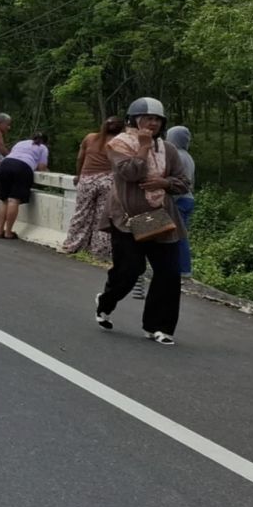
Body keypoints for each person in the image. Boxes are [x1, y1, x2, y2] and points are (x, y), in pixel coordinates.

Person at [94, 97, 191, 345]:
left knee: (168, 273)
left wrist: (164, 182)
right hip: (127, 218)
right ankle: (106, 301)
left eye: (158, 119)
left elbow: (183, 183)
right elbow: (130, 172)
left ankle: (158, 327)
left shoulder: (168, 149)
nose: (153, 123)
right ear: (133, 120)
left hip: (158, 217)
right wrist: (144, 147)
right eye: (147, 118)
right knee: (130, 270)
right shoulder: (118, 144)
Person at [61, 116, 123, 258]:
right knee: (103, 216)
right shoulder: (120, 142)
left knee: (81, 213)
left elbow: (80, 158)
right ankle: (100, 250)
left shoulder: (90, 138)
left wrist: (78, 175)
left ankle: (73, 244)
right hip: (108, 180)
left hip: (87, 179)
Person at [0, 133, 49, 240]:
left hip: (6, 164)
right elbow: (42, 167)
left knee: (4, 200)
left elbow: (11, 154)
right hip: (22, 167)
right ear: (45, 141)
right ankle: (8, 232)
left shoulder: (21, 143)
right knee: (13, 200)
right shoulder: (42, 147)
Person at [166, 125, 196, 279]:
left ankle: (183, 269)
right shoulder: (187, 156)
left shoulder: (177, 155)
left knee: (178, 236)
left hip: (179, 199)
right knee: (177, 234)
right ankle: (175, 265)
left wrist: (169, 200)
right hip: (187, 198)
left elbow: (180, 182)